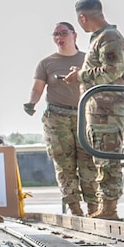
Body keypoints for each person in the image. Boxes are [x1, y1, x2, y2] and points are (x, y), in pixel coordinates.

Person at [25, 21, 89, 216]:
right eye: (55, 35)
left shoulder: (87, 60)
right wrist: (31, 103)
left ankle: (95, 207)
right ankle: (75, 208)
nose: (59, 38)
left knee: (89, 162)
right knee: (64, 163)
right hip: (57, 117)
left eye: (63, 33)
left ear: (74, 35)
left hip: (84, 116)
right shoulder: (47, 63)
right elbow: (38, 87)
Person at [75, 0, 124, 219]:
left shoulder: (109, 38)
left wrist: (79, 75)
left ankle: (110, 208)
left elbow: (112, 71)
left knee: (109, 157)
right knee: (102, 156)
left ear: (83, 17)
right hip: (100, 110)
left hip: (108, 110)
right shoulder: (100, 38)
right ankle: (105, 205)